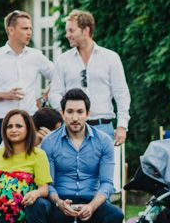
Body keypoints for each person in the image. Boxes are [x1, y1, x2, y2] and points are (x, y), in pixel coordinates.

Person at [24, 88, 123, 223]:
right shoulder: (50, 142)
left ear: (88, 114)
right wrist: (59, 202)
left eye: (80, 112)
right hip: (59, 203)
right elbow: (48, 183)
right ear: (62, 114)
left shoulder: (103, 141)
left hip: (90, 202)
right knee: (34, 206)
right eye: (70, 112)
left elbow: (107, 184)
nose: (75, 117)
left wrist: (92, 206)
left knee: (116, 214)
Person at [49, 9, 130, 146]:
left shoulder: (111, 58)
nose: (67, 35)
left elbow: (121, 93)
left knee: (105, 168)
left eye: (71, 31)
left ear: (86, 30)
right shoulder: (62, 60)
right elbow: (54, 94)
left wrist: (122, 125)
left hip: (103, 128)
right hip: (71, 129)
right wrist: (68, 113)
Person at [0, 9, 54, 146]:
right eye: (25, 28)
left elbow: (58, 77)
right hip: (2, 122)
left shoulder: (36, 56)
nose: (29, 32)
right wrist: (6, 95)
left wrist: (43, 98)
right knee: (2, 164)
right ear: (11, 30)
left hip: (29, 119)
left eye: (30, 28)